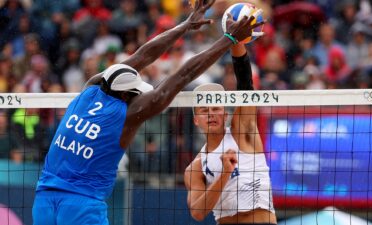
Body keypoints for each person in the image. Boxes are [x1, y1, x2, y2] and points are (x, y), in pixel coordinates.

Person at [32, 0, 264, 224]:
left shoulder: (91, 88)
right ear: (125, 95)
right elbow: (183, 75)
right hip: (81, 207)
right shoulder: (127, 115)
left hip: (43, 202)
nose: (139, 95)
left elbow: (142, 56)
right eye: (135, 92)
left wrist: (184, 25)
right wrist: (229, 38)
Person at [184, 42, 277, 225]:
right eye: (204, 110)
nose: (211, 113)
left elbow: (246, 85)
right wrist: (225, 173)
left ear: (225, 114)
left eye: (216, 108)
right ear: (196, 120)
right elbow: (197, 212)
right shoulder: (195, 168)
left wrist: (237, 43)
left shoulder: (241, 131)